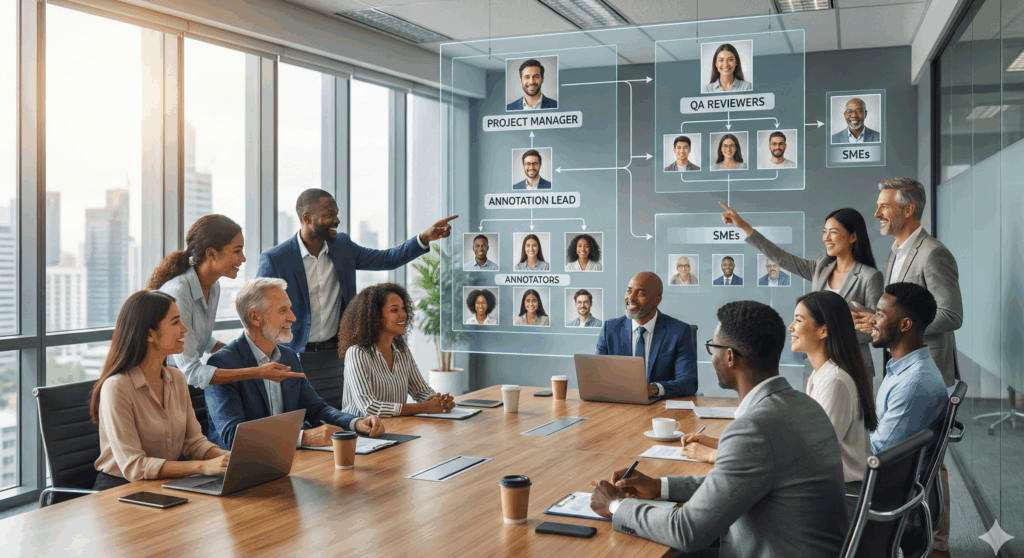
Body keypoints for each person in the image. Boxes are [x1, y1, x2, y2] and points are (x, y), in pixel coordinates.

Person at [590, 301, 847, 557]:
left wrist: (616, 505)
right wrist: (659, 486)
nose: (711, 357)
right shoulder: (803, 405)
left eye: (712, 348)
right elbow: (730, 483)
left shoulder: (754, 428)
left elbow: (686, 531)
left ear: (730, 356)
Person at [256, 188, 456, 408]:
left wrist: (424, 238)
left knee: (339, 422)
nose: (337, 219)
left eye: (336, 213)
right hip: (295, 357)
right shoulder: (276, 259)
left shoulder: (342, 246)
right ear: (306, 218)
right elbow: (258, 308)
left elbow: (386, 259)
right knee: (303, 424)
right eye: (329, 214)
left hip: (338, 355)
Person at [204, 278, 385, 450]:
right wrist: (303, 437)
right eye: (283, 310)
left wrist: (356, 422)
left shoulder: (288, 357)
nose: (293, 317)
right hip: (236, 469)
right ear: (255, 317)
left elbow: (316, 409)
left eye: (289, 309)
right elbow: (232, 436)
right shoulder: (222, 364)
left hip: (289, 460)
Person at [721, 202, 883, 375]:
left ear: (853, 237)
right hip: (818, 365)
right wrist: (744, 227)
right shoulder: (821, 267)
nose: (826, 238)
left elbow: (876, 331)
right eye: (824, 231)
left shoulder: (869, 277)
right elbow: (782, 258)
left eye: (833, 232)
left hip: (852, 366)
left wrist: (831, 331)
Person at [90, 290, 230, 490]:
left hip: (161, 484)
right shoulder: (117, 387)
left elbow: (194, 443)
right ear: (149, 333)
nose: (184, 329)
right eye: (175, 323)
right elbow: (135, 467)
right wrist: (202, 467)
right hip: (118, 490)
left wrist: (231, 458)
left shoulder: (176, 378)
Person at [147, 215, 301, 389]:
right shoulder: (179, 293)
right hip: (161, 384)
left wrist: (250, 355)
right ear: (211, 253)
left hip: (183, 384)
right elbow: (190, 371)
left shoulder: (214, 287)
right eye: (236, 251)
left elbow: (204, 342)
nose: (243, 258)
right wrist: (257, 372)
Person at [854, 177, 963, 387]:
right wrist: (877, 318)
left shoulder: (934, 253)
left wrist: (889, 325)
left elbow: (951, 315)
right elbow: (901, 309)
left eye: (884, 207)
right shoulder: (895, 252)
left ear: (908, 210)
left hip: (929, 371)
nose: (877, 214)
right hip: (900, 366)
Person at [869, 283, 950, 552]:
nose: (872, 320)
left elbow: (878, 455)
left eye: (880, 314)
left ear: (905, 325)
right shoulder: (903, 370)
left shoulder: (914, 384)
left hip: (882, 492)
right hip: (888, 482)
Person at [789, 291, 877, 485]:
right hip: (831, 485)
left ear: (823, 330)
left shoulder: (835, 381)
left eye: (798, 320)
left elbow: (817, 453)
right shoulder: (821, 374)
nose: (791, 328)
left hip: (843, 492)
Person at [338, 283, 455, 417]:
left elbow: (421, 390)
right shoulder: (357, 353)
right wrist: (424, 407)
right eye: (395, 310)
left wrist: (438, 400)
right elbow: (370, 407)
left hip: (395, 428)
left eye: (403, 309)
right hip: (362, 434)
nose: (403, 314)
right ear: (375, 316)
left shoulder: (402, 350)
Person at [596, 272, 698, 398]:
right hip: (619, 405)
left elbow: (689, 382)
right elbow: (597, 377)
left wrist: (654, 389)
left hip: (659, 409)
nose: (631, 298)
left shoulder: (679, 331)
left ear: (657, 300)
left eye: (640, 293)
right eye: (629, 291)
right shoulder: (610, 329)